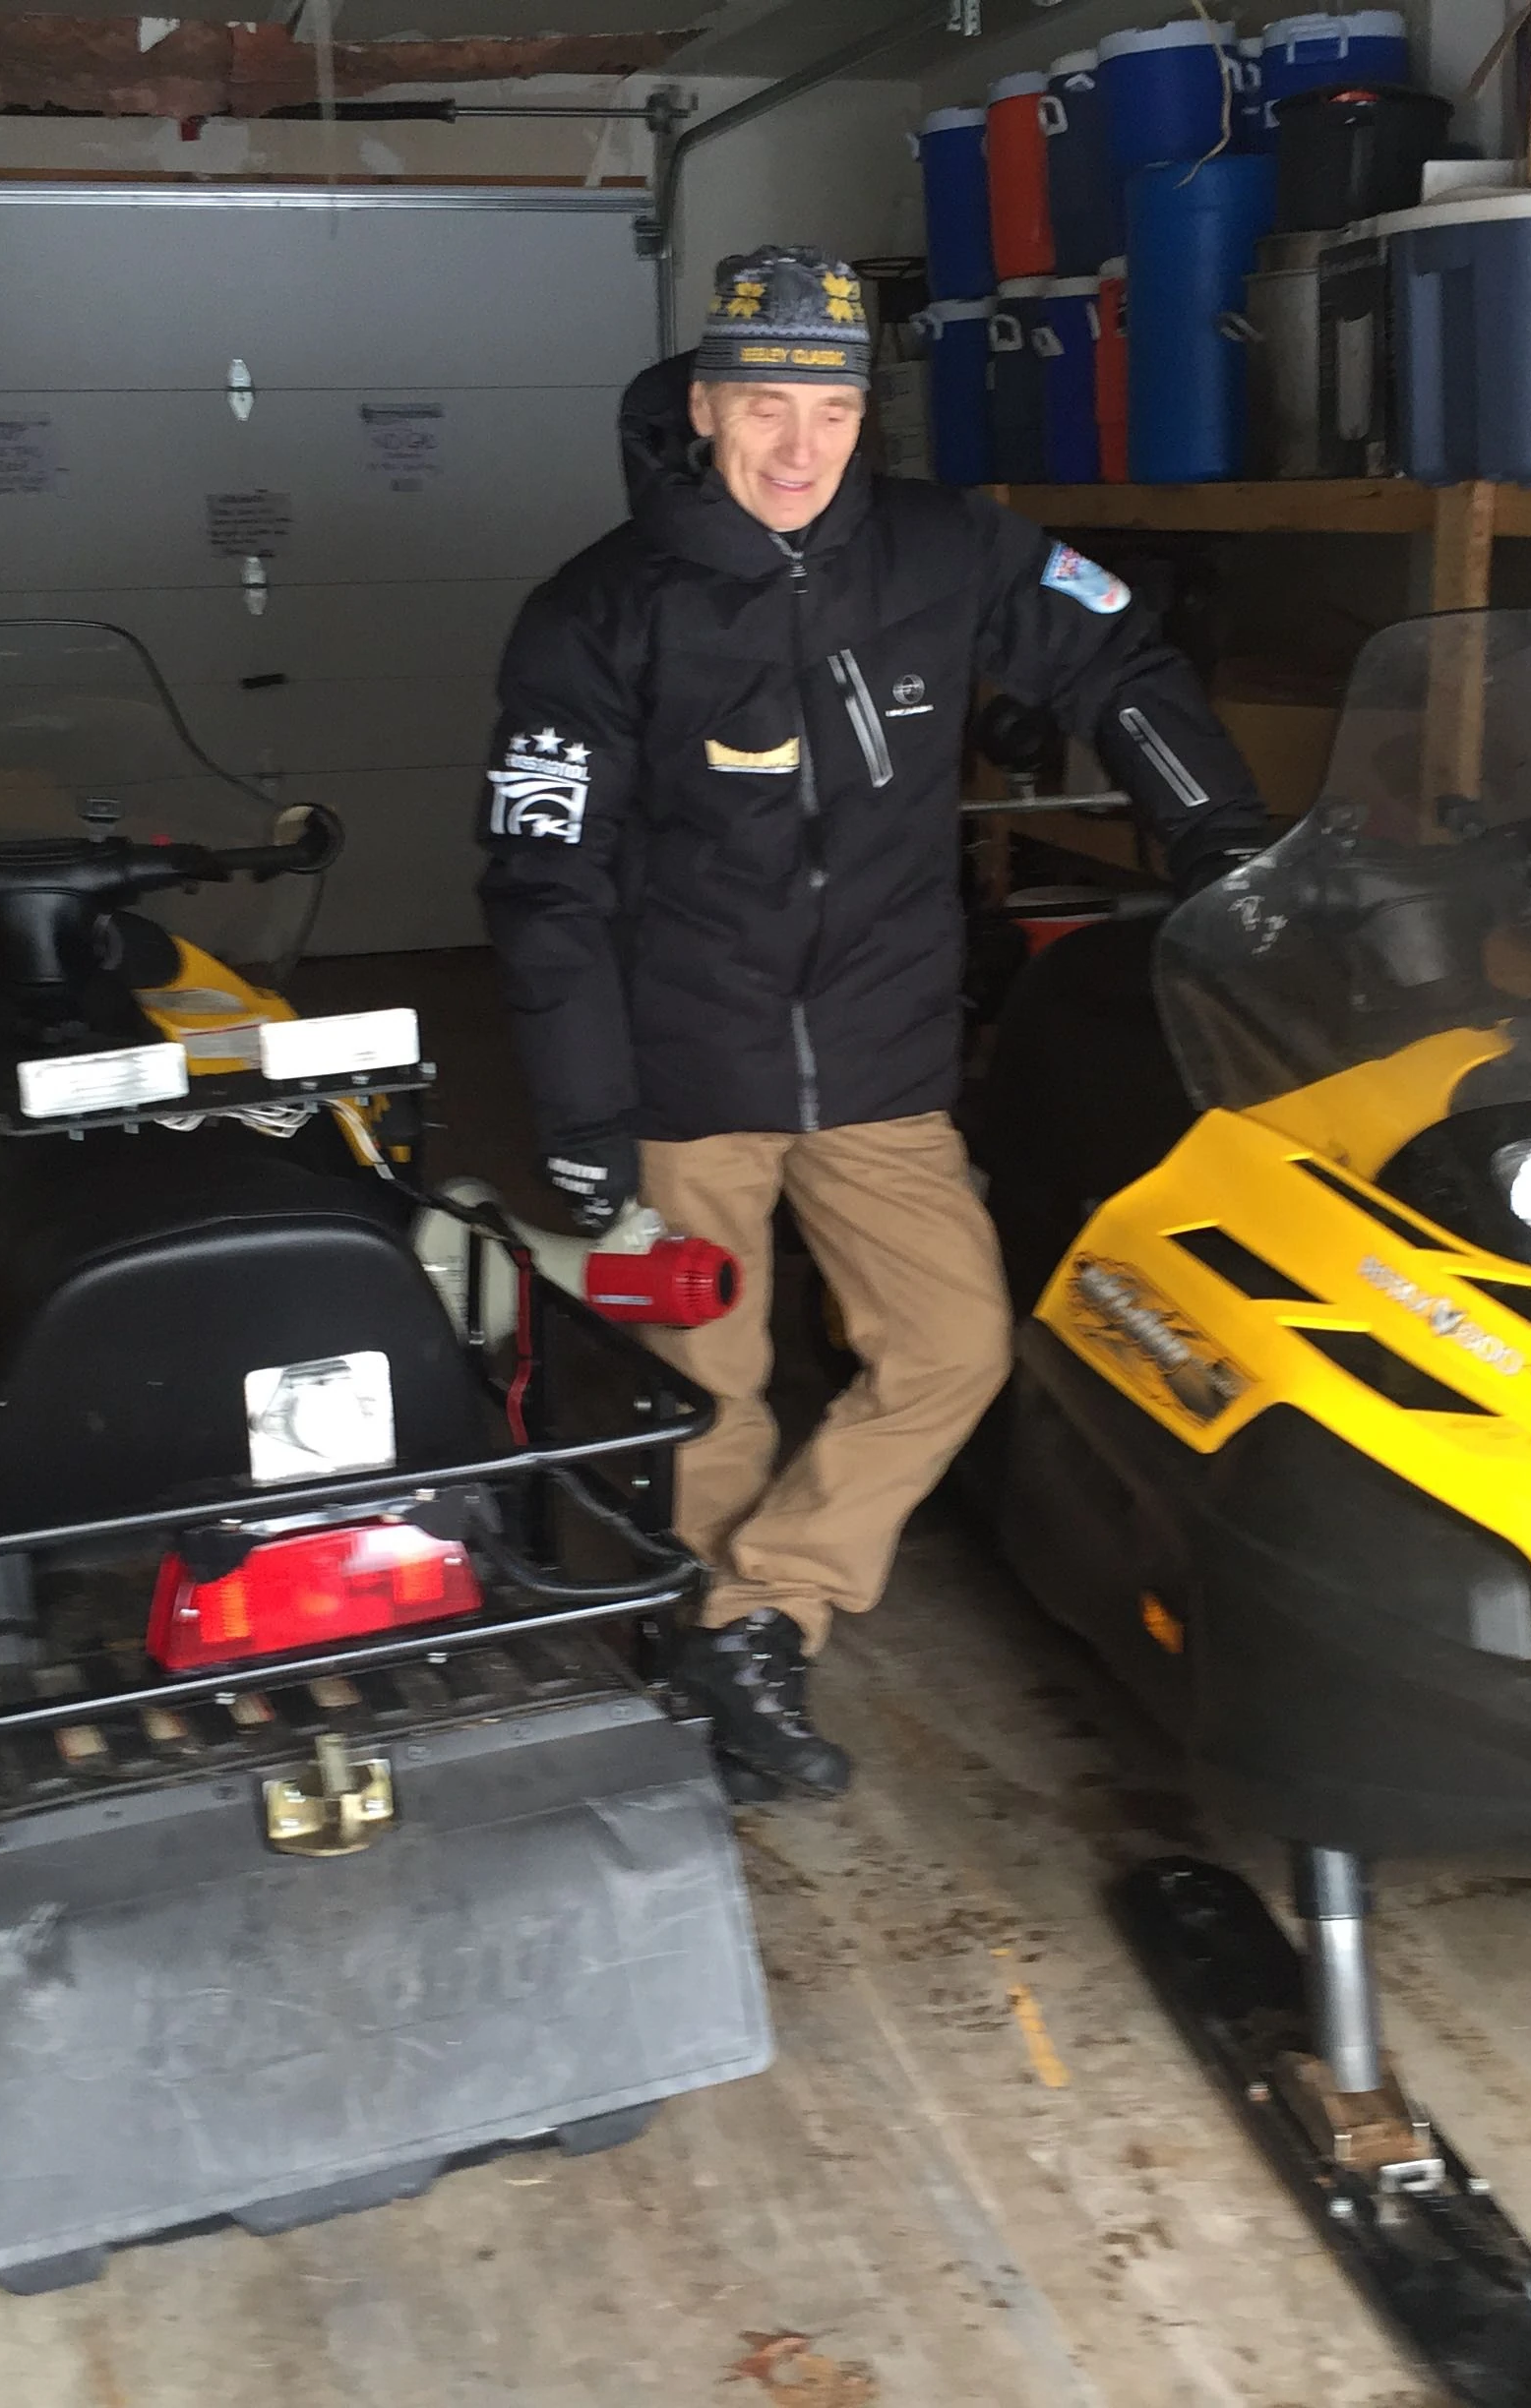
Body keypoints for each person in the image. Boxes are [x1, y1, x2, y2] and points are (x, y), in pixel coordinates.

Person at [477, 245, 1267, 1799]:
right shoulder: (597, 610)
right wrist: (581, 1110)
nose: (799, 447)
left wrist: (1217, 837)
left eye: (830, 410)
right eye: (765, 406)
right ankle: (725, 1652)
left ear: (862, 417)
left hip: (882, 1061)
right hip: (684, 1073)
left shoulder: (944, 548)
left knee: (954, 1345)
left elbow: (1118, 652)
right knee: (702, 1383)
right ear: (706, 407)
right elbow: (542, 875)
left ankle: (761, 1610)